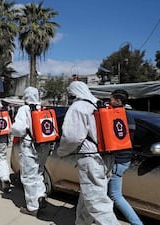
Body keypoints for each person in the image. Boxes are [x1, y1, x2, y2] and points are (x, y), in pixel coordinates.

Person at [57, 81, 120, 225]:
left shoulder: (79, 107)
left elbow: (72, 137)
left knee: (97, 204)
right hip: (107, 156)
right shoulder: (99, 104)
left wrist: (62, 151)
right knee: (88, 198)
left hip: (91, 158)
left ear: (73, 93)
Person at [10, 87, 50, 216]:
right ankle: (41, 196)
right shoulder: (43, 108)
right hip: (44, 145)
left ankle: (32, 207)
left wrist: (12, 129)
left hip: (30, 146)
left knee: (28, 176)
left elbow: (19, 129)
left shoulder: (24, 109)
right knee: (39, 172)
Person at [108, 89, 143, 225]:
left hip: (118, 160)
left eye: (111, 100)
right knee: (107, 195)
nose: (109, 102)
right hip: (124, 159)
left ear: (118, 101)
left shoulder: (117, 117)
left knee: (115, 195)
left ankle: (137, 223)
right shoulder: (128, 116)